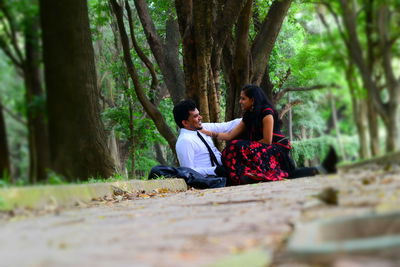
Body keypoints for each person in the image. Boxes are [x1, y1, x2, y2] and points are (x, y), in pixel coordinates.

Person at [200, 84, 337, 185]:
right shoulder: (248, 116)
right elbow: (230, 136)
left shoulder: (267, 113)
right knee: (233, 145)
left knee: (290, 174)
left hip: (275, 149)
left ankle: (323, 168)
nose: (240, 101)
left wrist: (245, 146)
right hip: (261, 150)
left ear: (252, 100)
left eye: (243, 99)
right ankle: (250, 175)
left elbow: (267, 141)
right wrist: (207, 132)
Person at [173, 100, 241, 177]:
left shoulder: (203, 128)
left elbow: (227, 126)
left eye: (198, 114)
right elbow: (188, 171)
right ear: (185, 123)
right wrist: (214, 170)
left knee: (239, 145)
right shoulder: (184, 141)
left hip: (225, 168)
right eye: (195, 116)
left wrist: (252, 114)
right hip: (211, 178)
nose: (200, 118)